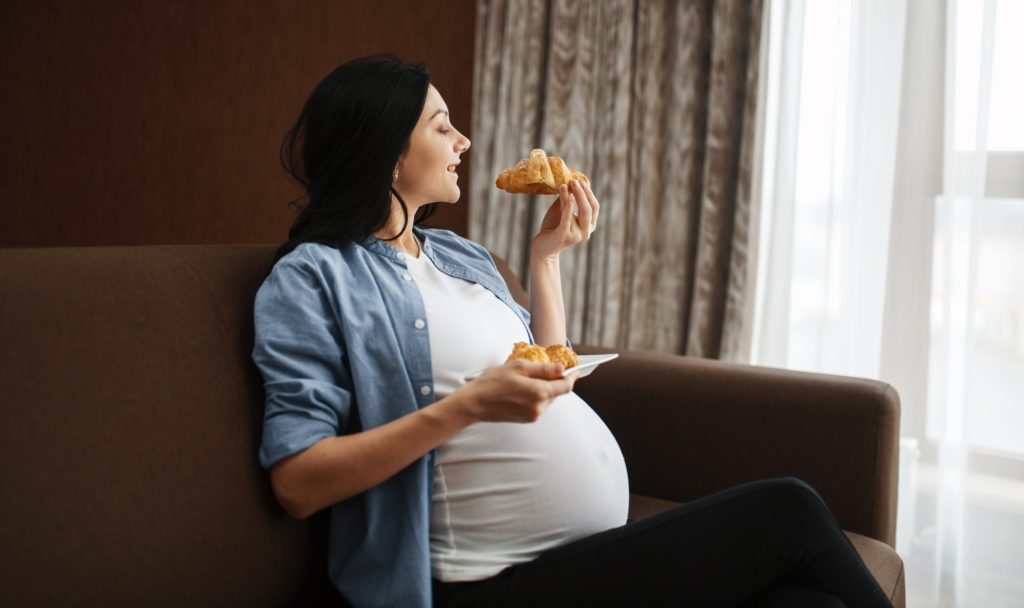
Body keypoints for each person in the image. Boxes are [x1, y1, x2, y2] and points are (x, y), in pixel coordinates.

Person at [251, 54, 895, 608]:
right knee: (788, 508)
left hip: (583, 556)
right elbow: (299, 482)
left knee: (809, 603)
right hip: (480, 584)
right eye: (442, 127)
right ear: (387, 154)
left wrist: (546, 258)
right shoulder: (314, 278)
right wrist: (467, 405)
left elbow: (548, 374)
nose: (464, 142)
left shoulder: (460, 255)